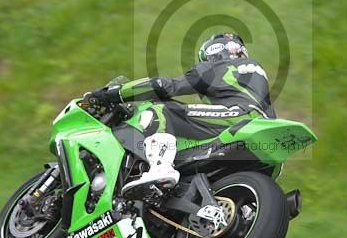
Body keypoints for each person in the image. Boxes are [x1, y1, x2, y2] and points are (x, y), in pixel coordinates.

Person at [84, 32, 275, 195]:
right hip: (261, 135)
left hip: (234, 117)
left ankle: (160, 167)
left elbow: (165, 86)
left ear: (213, 53)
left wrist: (112, 94)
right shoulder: (257, 76)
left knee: (161, 109)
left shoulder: (216, 67)